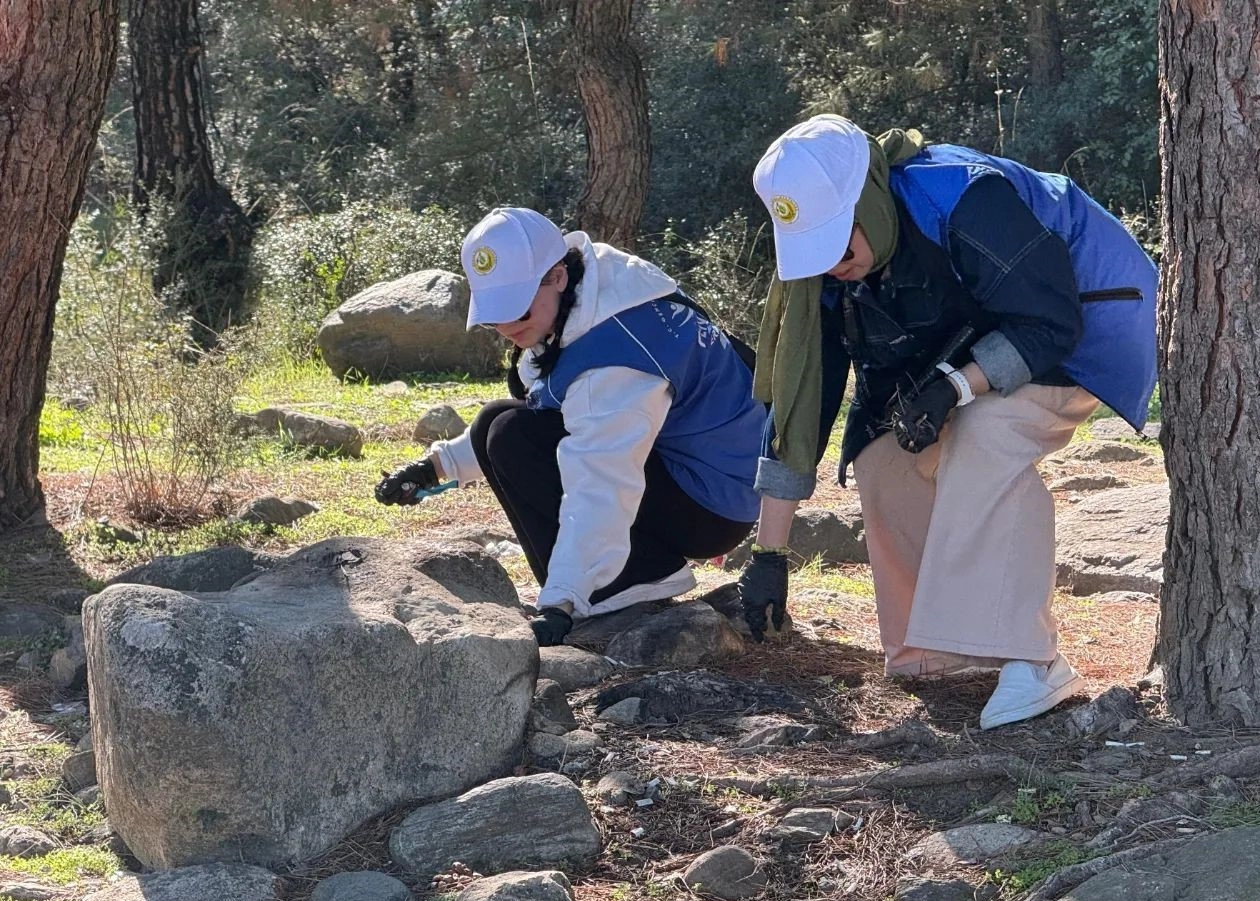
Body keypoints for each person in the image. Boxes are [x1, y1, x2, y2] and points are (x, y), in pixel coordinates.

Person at [736, 115, 1158, 729]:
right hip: (956, 352)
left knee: (990, 431)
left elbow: (1048, 322)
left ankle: (1030, 656)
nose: (831, 266)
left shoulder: (964, 195)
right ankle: (936, 651)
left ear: (869, 202)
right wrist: (769, 553)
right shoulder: (824, 270)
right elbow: (804, 400)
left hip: (1078, 328)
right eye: (815, 253)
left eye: (838, 244)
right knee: (883, 458)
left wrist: (956, 387)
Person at [377, 207, 766, 646]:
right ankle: (614, 576)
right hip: (695, 473)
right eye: (495, 313)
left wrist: (562, 601)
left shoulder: (617, 362)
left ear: (557, 276)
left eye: (518, 309)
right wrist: (435, 467)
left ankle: (626, 581)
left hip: (711, 503)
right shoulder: (597, 290)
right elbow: (543, 402)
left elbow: (600, 479)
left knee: (511, 435)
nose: (507, 327)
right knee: (497, 422)